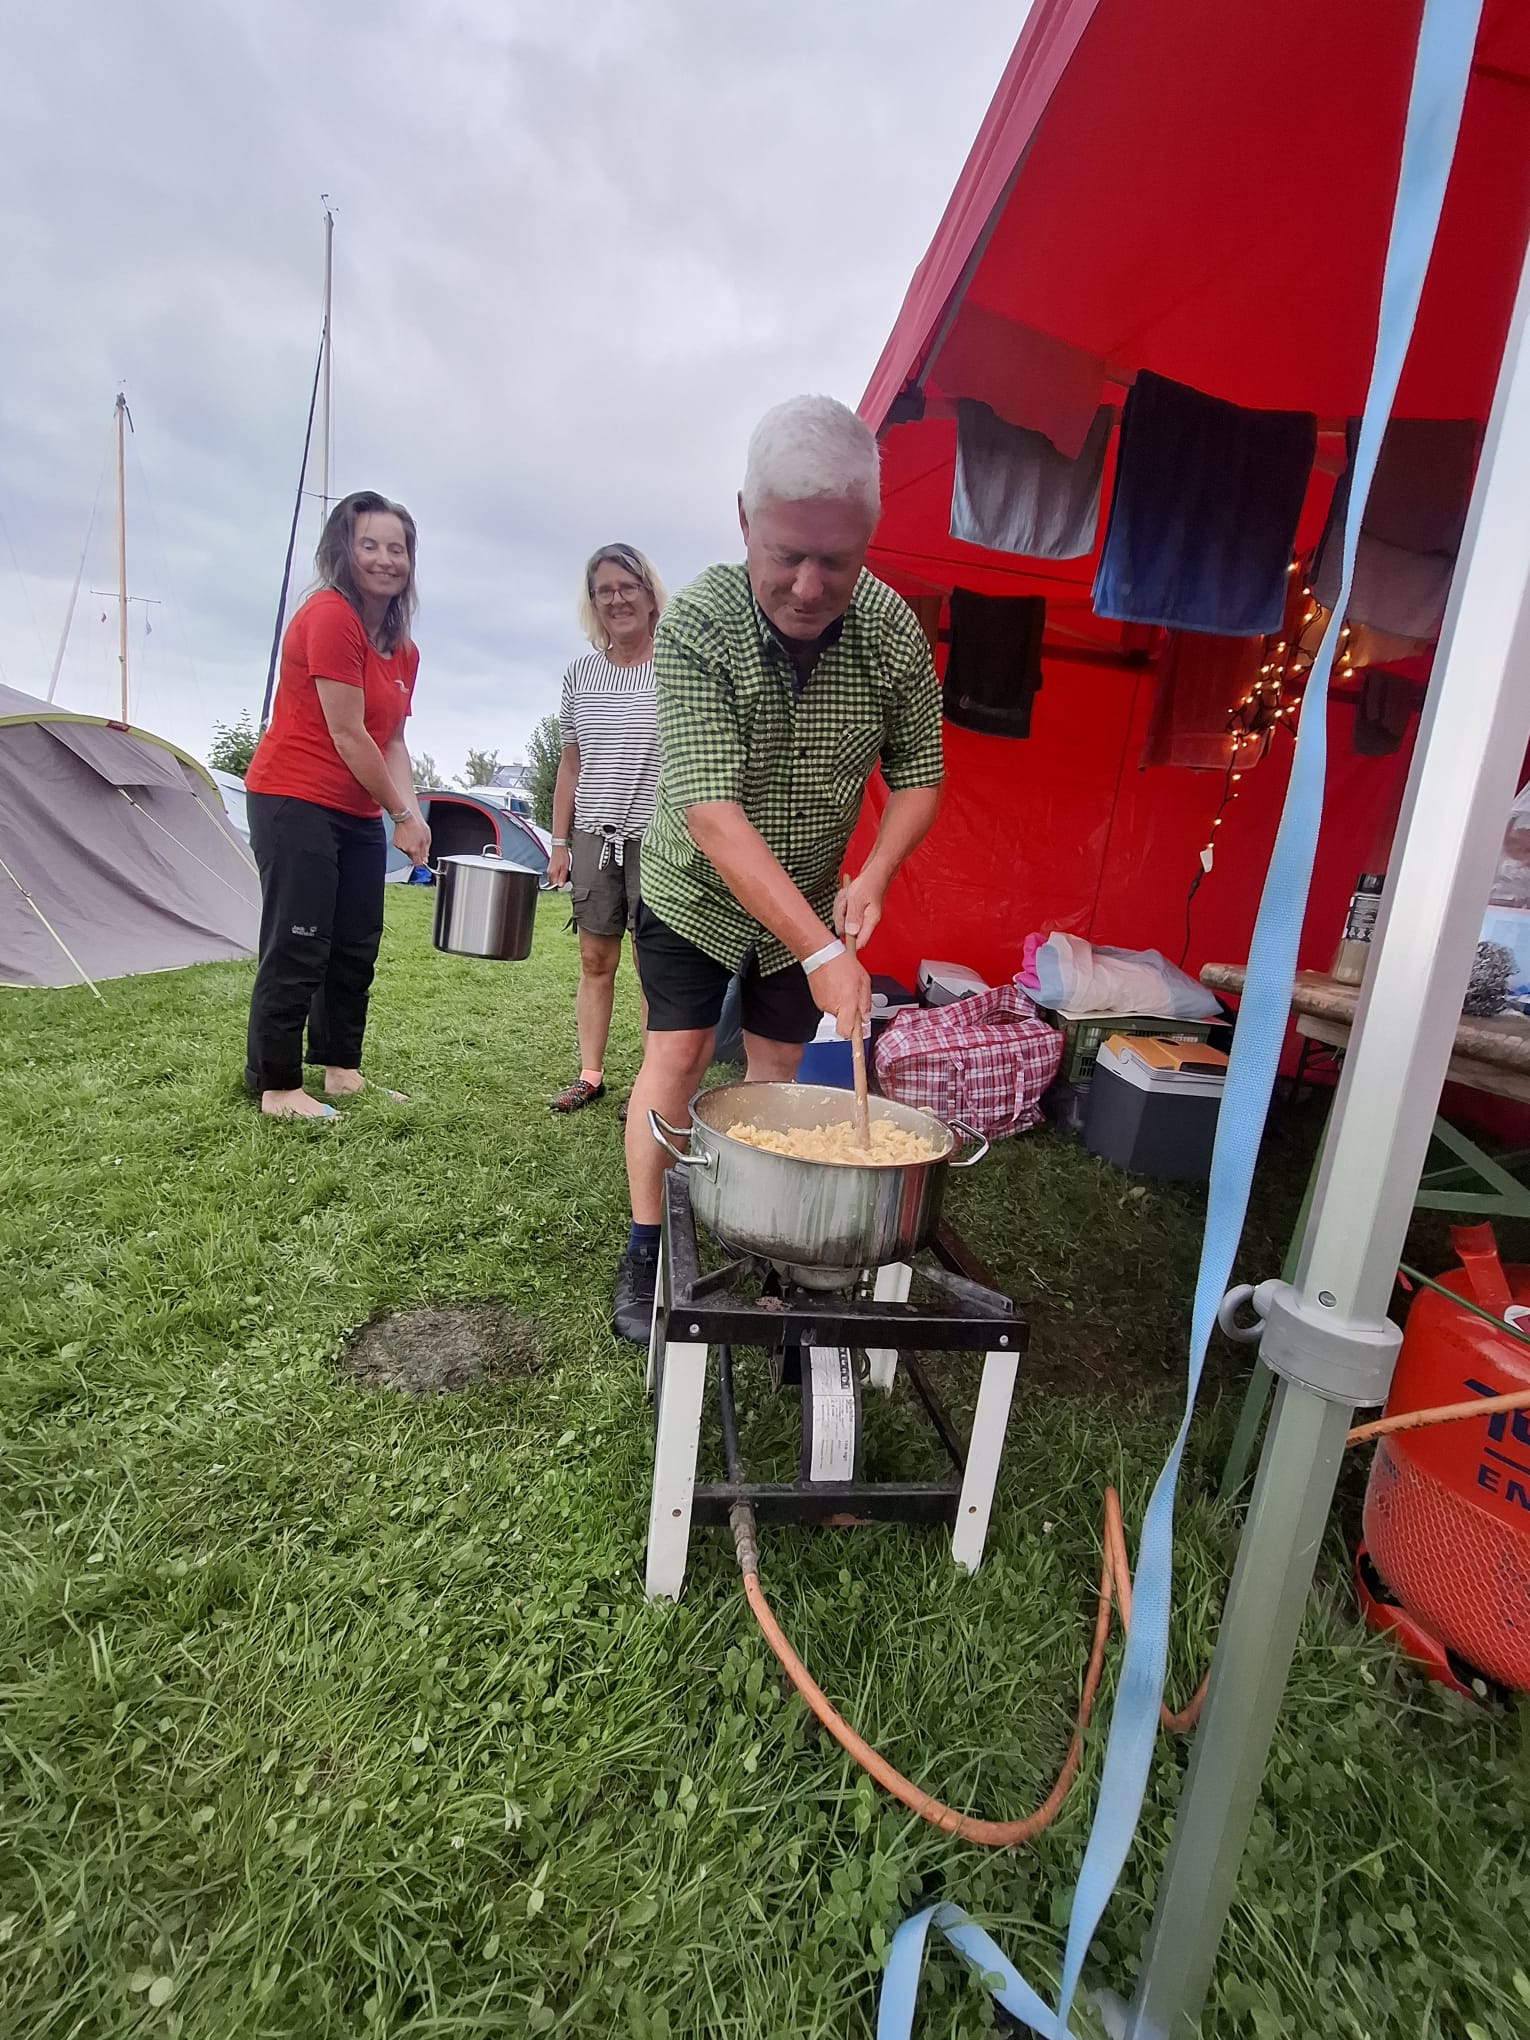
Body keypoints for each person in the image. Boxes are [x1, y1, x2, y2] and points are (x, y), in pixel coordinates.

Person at [611, 395, 944, 1339]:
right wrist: (821, 951)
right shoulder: (697, 625)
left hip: (807, 892)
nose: (807, 585)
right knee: (677, 1055)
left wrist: (873, 874)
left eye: (836, 561)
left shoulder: (892, 634)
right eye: (787, 554)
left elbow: (921, 776)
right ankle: (645, 1248)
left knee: (777, 1074)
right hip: (693, 891)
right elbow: (712, 814)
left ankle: (765, 1232)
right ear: (744, 520)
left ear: (869, 537)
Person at [243, 491, 431, 1120]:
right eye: (368, 544)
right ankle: (277, 1086)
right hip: (294, 797)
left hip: (355, 810)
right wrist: (399, 814)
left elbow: (392, 740)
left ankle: (341, 1070)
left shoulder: (402, 648)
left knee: (354, 943)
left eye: (396, 548)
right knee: (299, 939)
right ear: (342, 551)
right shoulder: (328, 615)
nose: (384, 559)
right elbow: (348, 733)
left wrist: (412, 812)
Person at [545, 544, 668, 1115]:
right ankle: (589, 1075)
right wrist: (559, 842)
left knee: (652, 967)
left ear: (649, 594)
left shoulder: (675, 667)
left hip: (659, 839)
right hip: (595, 836)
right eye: (604, 591)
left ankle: (651, 1081)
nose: (617, 599)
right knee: (595, 961)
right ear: (593, 602)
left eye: (627, 587)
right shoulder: (579, 675)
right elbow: (570, 765)